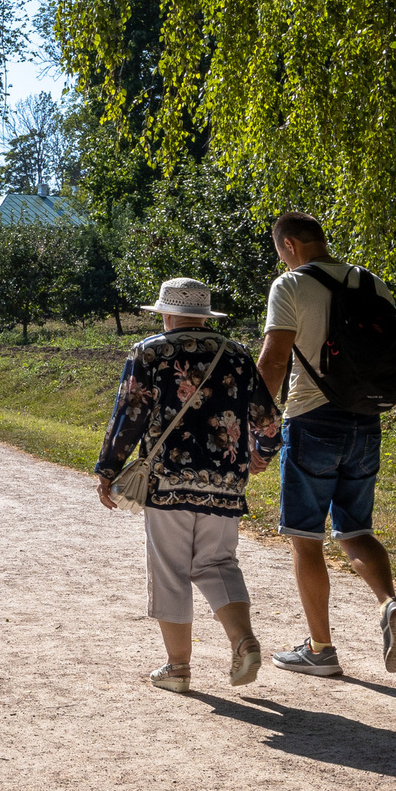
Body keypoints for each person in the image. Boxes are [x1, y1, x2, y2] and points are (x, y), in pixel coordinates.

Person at [94, 276, 281, 692]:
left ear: (166, 313)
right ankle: (242, 639)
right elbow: (268, 418)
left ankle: (177, 668)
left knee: (171, 570)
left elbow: (130, 413)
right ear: (203, 314)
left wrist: (108, 468)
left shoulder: (151, 352)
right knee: (218, 564)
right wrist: (262, 455)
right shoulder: (236, 354)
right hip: (227, 481)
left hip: (168, 481)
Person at [256, 211, 396, 677]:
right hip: (366, 420)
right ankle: (389, 604)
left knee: (305, 538)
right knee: (355, 528)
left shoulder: (289, 286)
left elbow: (273, 362)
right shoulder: (372, 283)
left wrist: (258, 423)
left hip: (311, 421)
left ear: (288, 246)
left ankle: (321, 650)